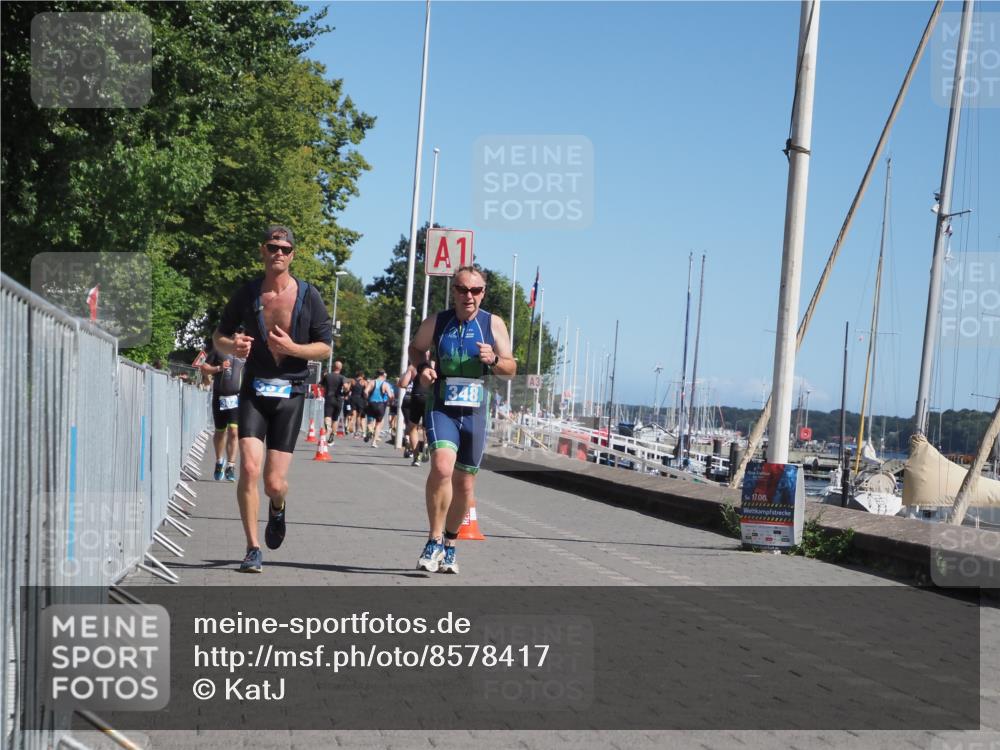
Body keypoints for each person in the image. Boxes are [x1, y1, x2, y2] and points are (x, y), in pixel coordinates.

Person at [213, 225, 332, 573]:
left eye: (285, 248)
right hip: (253, 391)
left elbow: (324, 347)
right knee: (249, 467)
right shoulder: (247, 294)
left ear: (293, 254)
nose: (278, 253)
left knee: (273, 483)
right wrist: (231, 347)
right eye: (272, 247)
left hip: (291, 393)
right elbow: (219, 336)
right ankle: (252, 548)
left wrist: (294, 349)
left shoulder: (309, 296)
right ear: (262, 251)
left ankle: (277, 507)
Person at [408, 266, 515, 575]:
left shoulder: (493, 324)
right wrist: (425, 366)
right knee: (441, 467)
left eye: (476, 290)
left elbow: (510, 368)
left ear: (483, 293)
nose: (469, 295)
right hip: (441, 405)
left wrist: (493, 360)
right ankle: (433, 539)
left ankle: (451, 544)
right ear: (453, 291)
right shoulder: (437, 322)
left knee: (465, 484)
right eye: (462, 289)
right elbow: (415, 348)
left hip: (475, 411)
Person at [200, 348, 245, 481]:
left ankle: (231, 466)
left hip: (237, 398)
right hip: (220, 397)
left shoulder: (247, 353)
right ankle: (219, 462)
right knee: (220, 431)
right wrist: (219, 368)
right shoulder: (218, 350)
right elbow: (204, 367)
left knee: (234, 431)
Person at [398, 360, 429, 467]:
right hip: (430, 396)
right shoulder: (435, 364)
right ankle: (426, 444)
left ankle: (416, 457)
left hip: (416, 395)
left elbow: (403, 384)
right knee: (427, 427)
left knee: (412, 427)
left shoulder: (413, 366)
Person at [364, 369, 392, 447]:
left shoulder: (372, 382)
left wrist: (367, 398)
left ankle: (370, 430)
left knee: (370, 422)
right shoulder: (385, 384)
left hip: (371, 403)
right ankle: (374, 442)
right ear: (383, 375)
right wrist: (390, 402)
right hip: (381, 405)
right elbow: (390, 395)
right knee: (378, 424)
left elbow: (365, 391)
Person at [322, 360, 347, 445]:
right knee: (335, 419)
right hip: (338, 399)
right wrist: (345, 392)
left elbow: (320, 385)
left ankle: (328, 428)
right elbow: (346, 386)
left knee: (327, 416)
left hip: (329, 398)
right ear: (341, 368)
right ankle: (332, 437)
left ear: (333, 367)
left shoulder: (327, 376)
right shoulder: (342, 377)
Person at [348, 372, 367, 437]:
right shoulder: (364, 382)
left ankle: (350, 424)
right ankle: (357, 431)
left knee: (353, 414)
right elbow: (366, 392)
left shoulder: (352, 381)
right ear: (362, 375)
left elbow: (348, 389)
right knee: (359, 416)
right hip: (360, 399)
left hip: (353, 398)